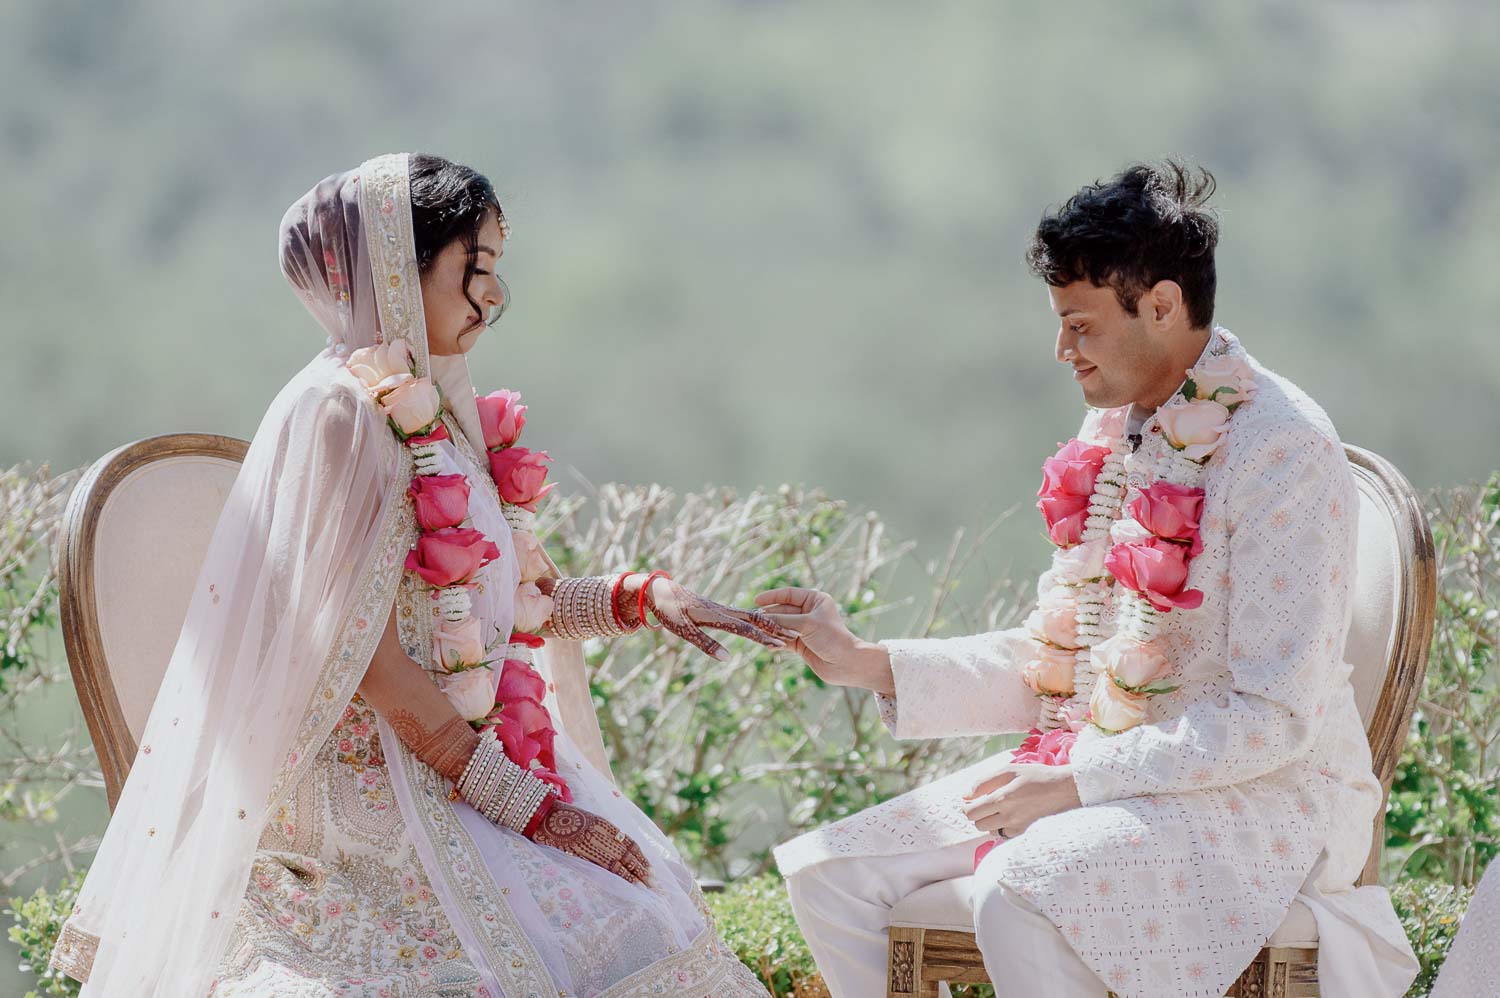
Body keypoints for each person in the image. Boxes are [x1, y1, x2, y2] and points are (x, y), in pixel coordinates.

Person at [49, 153, 784, 997]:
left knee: (653, 911)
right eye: (475, 270)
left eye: (498, 274)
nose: (490, 302)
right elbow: (365, 657)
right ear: (400, 269)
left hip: (465, 763)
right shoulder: (336, 413)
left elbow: (511, 606)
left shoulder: (437, 405)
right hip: (370, 791)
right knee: (589, 939)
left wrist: (642, 599)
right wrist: (528, 809)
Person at [764, 161, 1420, 997]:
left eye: (1079, 325)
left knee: (1021, 890)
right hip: (1103, 767)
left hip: (1263, 800)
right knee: (830, 873)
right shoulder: (1116, 428)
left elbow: (1273, 717)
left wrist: (1079, 782)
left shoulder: (1281, 448)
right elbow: (1063, 662)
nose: (1061, 350)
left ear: (1163, 305)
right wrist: (866, 662)